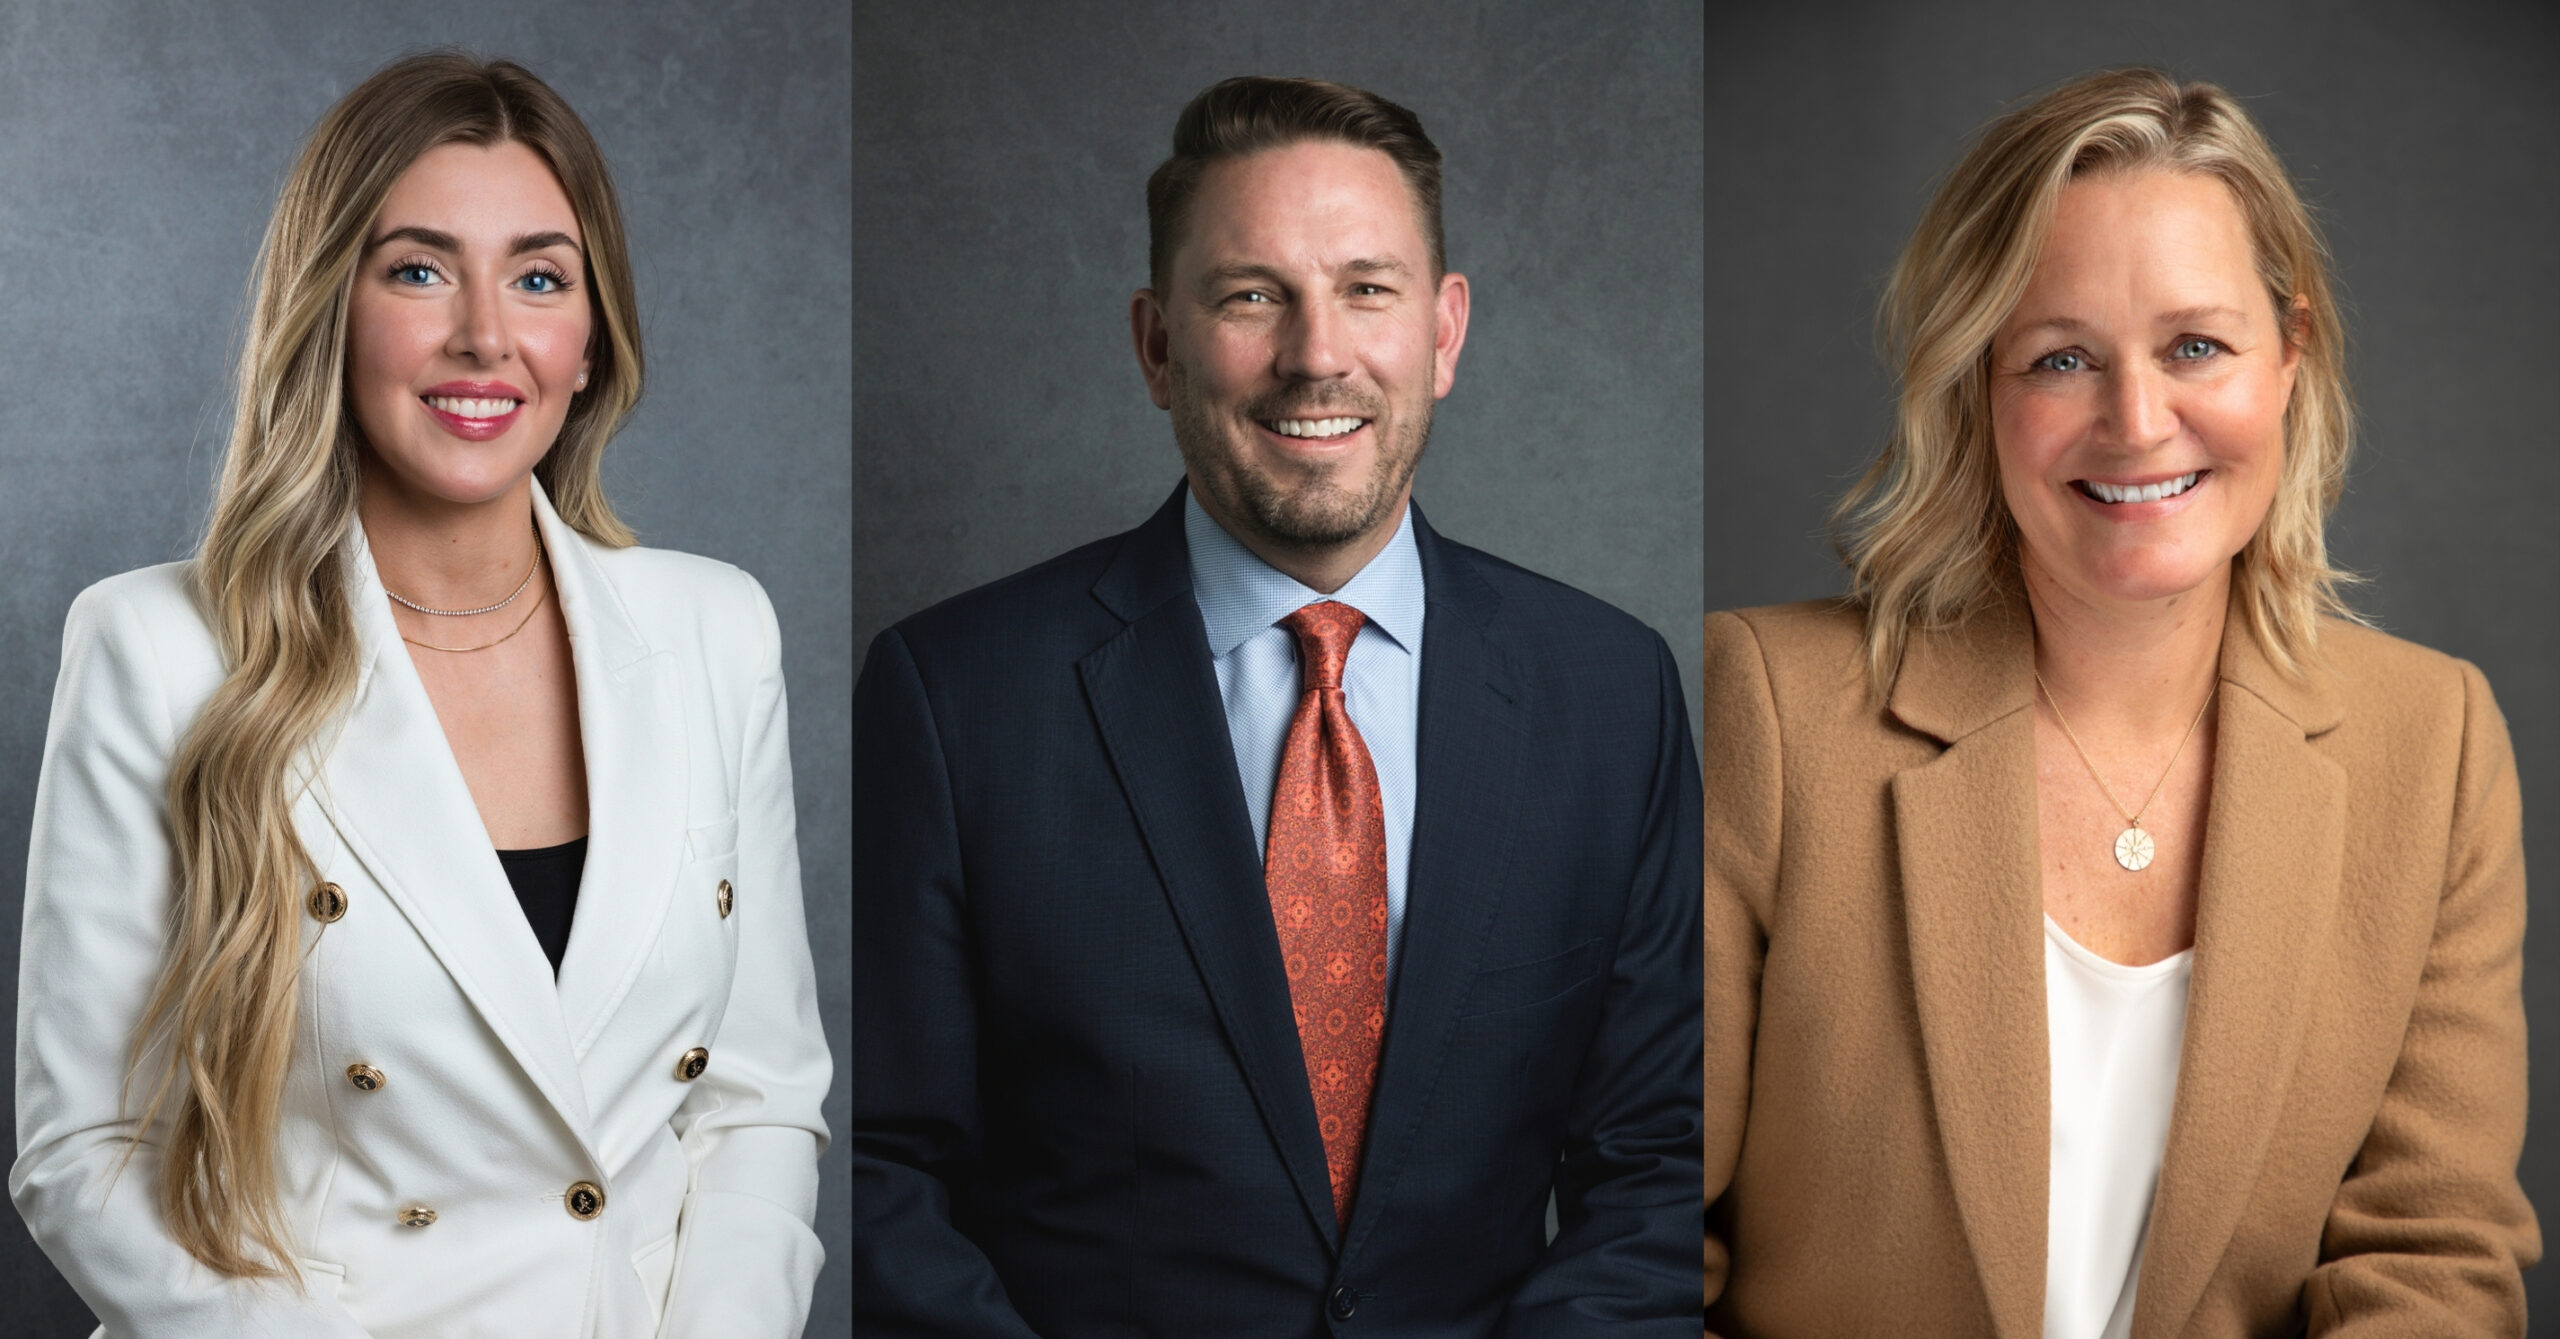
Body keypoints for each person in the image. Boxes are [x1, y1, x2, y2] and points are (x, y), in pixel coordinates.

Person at [851, 75, 1702, 1335]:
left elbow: (1658, 1166)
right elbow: (878, 1169)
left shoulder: (1609, 692)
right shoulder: (955, 695)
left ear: (1444, 332)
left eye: (1368, 288)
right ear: (1155, 343)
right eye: (1252, 295)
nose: (1317, 353)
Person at [1701, 67, 2536, 1336]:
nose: (2136, 421)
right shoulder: (1762, 711)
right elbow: (1634, 1230)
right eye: (2060, 358)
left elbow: (2434, 1259)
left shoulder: (2437, 742)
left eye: (2195, 344)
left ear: (2290, 357)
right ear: (1978, 388)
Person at [10, 51, 830, 1338]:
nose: (485, 336)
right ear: (328, 303)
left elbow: (756, 1098)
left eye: (540, 277)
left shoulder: (714, 627)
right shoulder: (156, 649)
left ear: (591, 332)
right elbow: (85, 1148)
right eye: (419, 269)